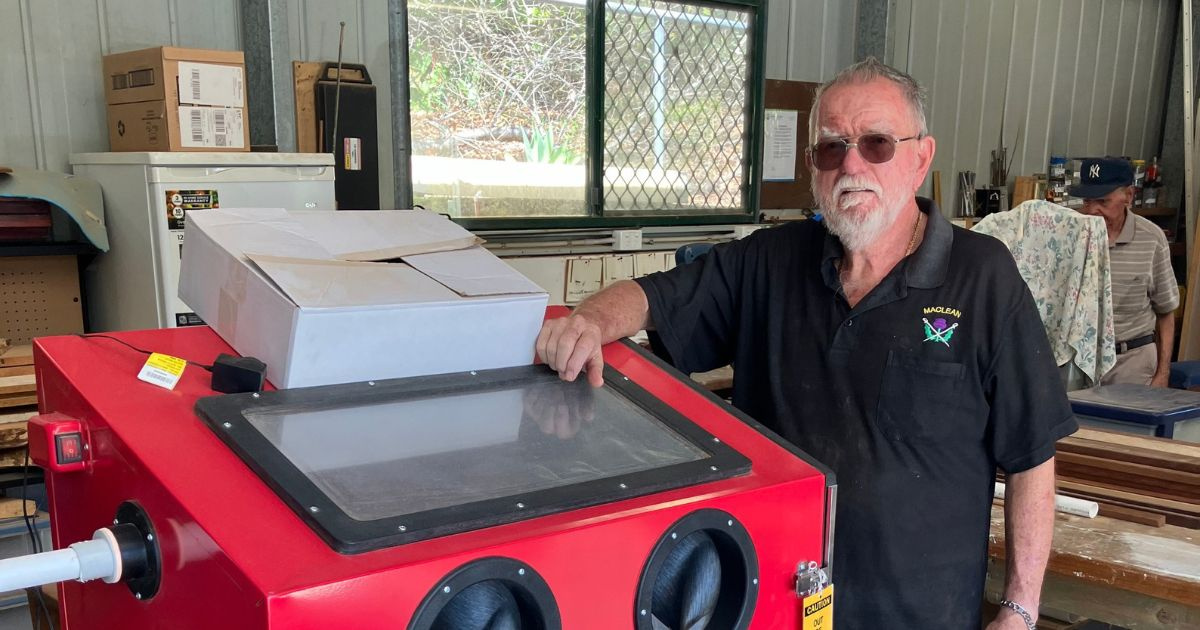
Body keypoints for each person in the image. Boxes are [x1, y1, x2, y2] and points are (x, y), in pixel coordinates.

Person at [535, 57, 1073, 629]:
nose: (851, 165)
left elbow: (1031, 454)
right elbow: (652, 297)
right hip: (770, 603)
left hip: (919, 613)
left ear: (921, 158)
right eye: (831, 148)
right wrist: (589, 320)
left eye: (877, 144)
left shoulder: (984, 278)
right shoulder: (770, 261)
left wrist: (1019, 610)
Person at [1071, 157, 1179, 387]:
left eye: (1103, 201)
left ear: (1128, 196)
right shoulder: (1071, 233)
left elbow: (1166, 312)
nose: (1092, 211)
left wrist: (1162, 374)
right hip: (1079, 360)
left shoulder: (1152, 238)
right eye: (1087, 201)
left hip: (1132, 360)